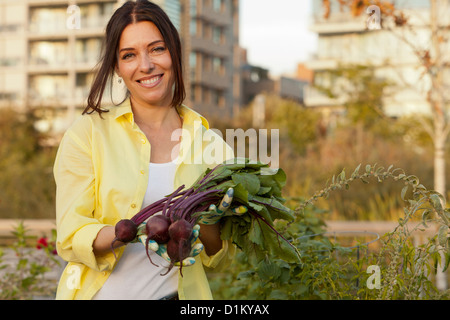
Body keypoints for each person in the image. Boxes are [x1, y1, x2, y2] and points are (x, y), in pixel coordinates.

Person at [53, 0, 237, 300]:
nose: (146, 65)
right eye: (129, 55)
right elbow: (73, 235)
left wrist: (209, 222)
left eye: (157, 48)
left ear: (174, 52)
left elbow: (219, 255)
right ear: (117, 67)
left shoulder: (211, 146)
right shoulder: (87, 134)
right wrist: (130, 231)